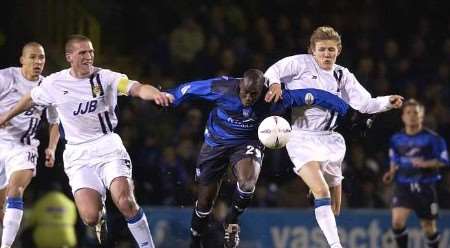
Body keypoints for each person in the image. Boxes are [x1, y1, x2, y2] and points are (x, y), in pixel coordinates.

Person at [0, 35, 173, 248]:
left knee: (125, 201)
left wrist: (154, 93)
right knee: (90, 216)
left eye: (90, 52)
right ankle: (99, 218)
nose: (88, 56)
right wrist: (6, 116)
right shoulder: (54, 82)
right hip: (77, 154)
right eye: (82, 52)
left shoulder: (105, 77)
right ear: (69, 57)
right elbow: (30, 98)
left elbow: (135, 87)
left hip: (107, 145)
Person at [168, 68, 363, 248]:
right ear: (239, 85)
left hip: (248, 143)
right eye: (244, 92)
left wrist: (350, 112)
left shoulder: (275, 97)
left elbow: (316, 96)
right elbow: (189, 89)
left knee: (247, 184)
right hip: (216, 143)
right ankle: (195, 241)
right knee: (204, 204)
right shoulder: (222, 87)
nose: (248, 97)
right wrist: (169, 96)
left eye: (254, 94)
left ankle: (232, 220)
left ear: (263, 90)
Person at [264, 26, 404, 248]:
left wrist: (387, 102)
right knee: (322, 191)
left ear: (338, 50)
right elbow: (272, 71)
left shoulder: (342, 74)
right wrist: (274, 83)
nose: (326, 54)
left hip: (331, 141)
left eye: (331, 50)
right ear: (312, 50)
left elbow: (365, 103)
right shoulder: (299, 63)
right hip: (301, 139)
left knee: (335, 207)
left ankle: (316, 192)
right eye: (321, 50)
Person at [0, 42, 60, 248]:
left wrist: (51, 147)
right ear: (22, 59)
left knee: (15, 190)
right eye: (33, 57)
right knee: (1, 207)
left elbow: (54, 122)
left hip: (24, 147)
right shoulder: (6, 77)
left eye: (41, 58)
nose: (38, 62)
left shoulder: (48, 88)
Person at [382, 99, 449, 248]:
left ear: (422, 116)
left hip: (425, 187)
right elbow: (395, 159)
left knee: (429, 228)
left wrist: (427, 164)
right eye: (408, 113)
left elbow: (444, 160)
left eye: (415, 113)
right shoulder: (396, 139)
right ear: (403, 117)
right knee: (397, 222)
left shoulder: (433, 139)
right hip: (403, 186)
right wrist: (391, 172)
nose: (412, 116)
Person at [27, 182, 78, 248]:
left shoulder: (41, 202)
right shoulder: (70, 203)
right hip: (66, 239)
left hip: (45, 240)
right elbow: (74, 221)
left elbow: (31, 221)